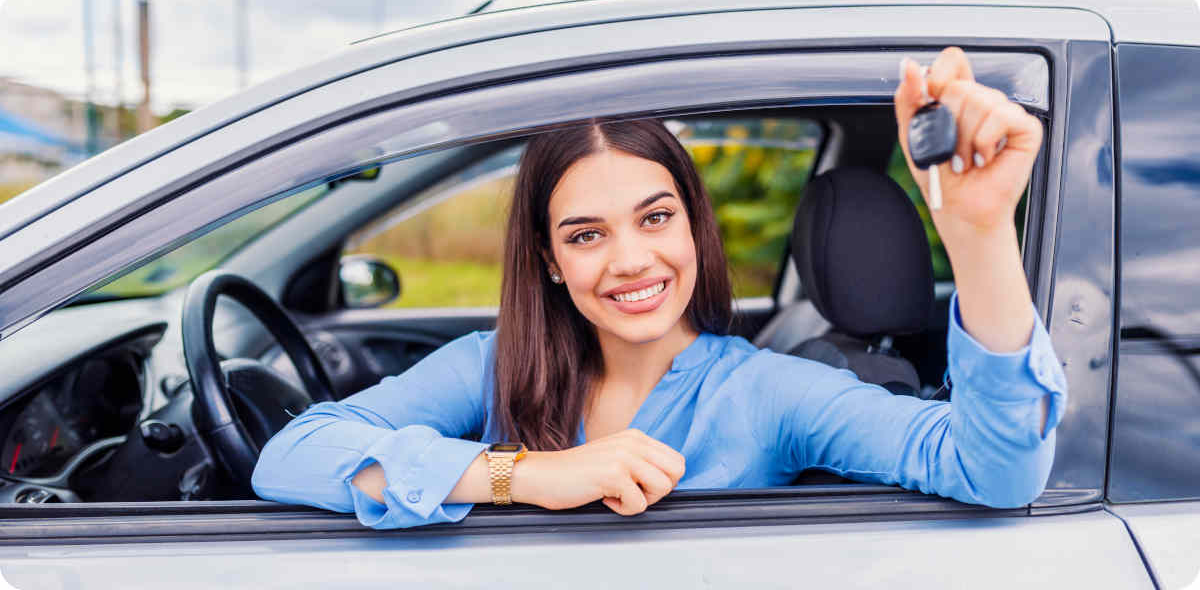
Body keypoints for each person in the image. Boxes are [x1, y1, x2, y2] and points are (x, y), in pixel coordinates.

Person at [251, 48, 1067, 529]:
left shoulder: (765, 393)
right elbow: (291, 456)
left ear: (691, 227)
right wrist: (528, 477)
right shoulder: (494, 365)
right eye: (586, 235)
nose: (632, 260)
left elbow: (994, 470)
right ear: (547, 259)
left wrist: (980, 234)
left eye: (655, 217)